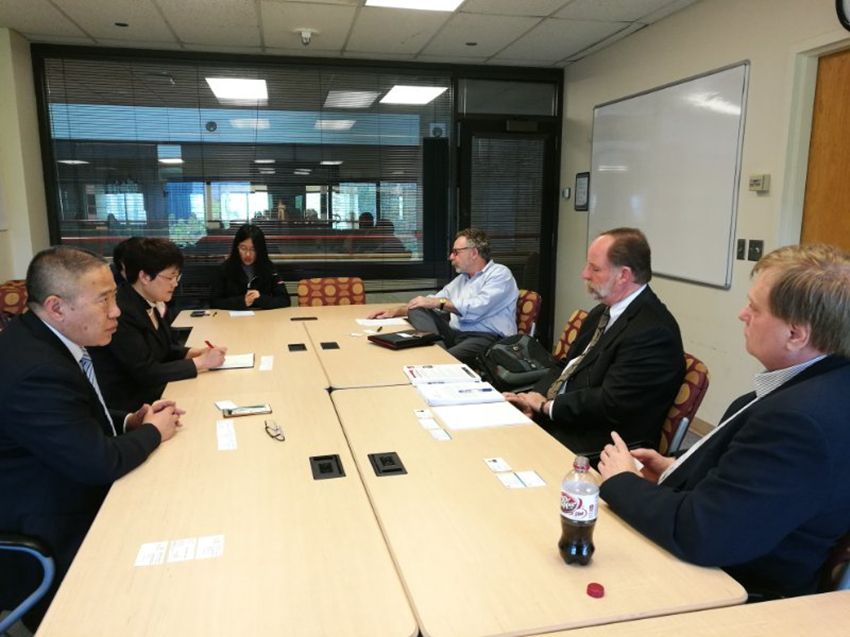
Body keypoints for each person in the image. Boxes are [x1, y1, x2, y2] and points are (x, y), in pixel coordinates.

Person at [597, 243, 850, 599]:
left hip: (734, 591)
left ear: (796, 334)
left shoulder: (799, 421)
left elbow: (703, 533)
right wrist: (676, 468)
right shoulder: (823, 384)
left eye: (755, 308)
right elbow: (757, 486)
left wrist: (622, 481)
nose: (742, 314)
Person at [0, 246, 183, 628]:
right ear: (57, 307)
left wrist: (129, 421)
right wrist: (154, 431)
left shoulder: (42, 337)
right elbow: (98, 463)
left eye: (114, 297)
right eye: (103, 301)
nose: (116, 311)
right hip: (50, 525)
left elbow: (75, 416)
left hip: (65, 481)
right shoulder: (36, 369)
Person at [505, 228, 684, 455]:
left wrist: (547, 407)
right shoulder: (602, 312)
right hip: (568, 416)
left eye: (595, 268)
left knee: (508, 448)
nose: (585, 274)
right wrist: (534, 397)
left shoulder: (653, 332)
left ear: (623, 275)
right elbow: (566, 366)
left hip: (603, 441)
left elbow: (611, 403)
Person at [90, 238, 226, 411]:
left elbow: (162, 349)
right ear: (144, 277)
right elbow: (146, 372)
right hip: (133, 403)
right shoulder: (122, 311)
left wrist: (193, 353)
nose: (175, 283)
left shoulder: (149, 301)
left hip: (155, 390)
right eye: (170, 277)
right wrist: (201, 362)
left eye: (177, 276)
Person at [369, 227, 518, 366]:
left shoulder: (500, 274)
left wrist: (438, 302)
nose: (450, 257)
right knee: (418, 308)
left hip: (485, 338)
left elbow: (477, 307)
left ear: (473, 253)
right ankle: (436, 353)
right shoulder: (463, 279)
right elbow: (433, 300)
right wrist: (396, 311)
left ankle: (436, 357)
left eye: (456, 252)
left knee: (442, 362)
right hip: (455, 334)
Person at [210, 224, 291, 310]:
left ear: (260, 250)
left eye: (253, 249)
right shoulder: (224, 269)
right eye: (243, 248)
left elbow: (285, 300)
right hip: (233, 316)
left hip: (263, 316)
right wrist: (241, 301)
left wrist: (261, 299)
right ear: (236, 248)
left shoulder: (270, 269)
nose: (248, 254)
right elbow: (214, 302)